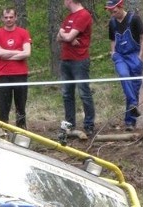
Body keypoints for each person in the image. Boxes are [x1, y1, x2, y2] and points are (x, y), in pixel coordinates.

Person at [106, 0, 143, 132]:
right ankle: (133, 104)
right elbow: (112, 39)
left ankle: (130, 123)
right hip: (120, 57)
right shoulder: (112, 23)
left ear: (120, 6)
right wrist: (113, 53)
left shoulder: (134, 19)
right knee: (124, 76)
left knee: (134, 89)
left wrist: (140, 57)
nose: (112, 14)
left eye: (114, 11)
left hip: (134, 56)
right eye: (110, 12)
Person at [57, 0, 96, 136]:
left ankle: (89, 124)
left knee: (84, 93)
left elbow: (67, 36)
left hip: (79, 60)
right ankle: (70, 124)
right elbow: (59, 37)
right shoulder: (69, 17)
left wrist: (66, 36)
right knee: (67, 94)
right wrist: (66, 36)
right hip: (65, 59)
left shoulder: (83, 15)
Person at [0, 8, 32, 129]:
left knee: (21, 106)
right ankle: (3, 131)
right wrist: (17, 52)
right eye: (6, 17)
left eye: (11, 17)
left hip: (21, 74)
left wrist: (7, 54)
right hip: (3, 74)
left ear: (16, 18)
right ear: (2, 18)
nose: (8, 19)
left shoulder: (23, 33)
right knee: (3, 106)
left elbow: (27, 53)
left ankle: (21, 131)